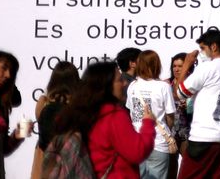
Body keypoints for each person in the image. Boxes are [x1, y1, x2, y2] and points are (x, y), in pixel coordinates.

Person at [52, 60, 155, 178]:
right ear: (106, 85)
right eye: (119, 80)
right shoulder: (113, 116)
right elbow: (137, 151)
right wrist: (148, 124)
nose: (125, 83)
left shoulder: (78, 113)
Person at [175, 29, 220, 179]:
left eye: (203, 48)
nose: (201, 53)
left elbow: (180, 93)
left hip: (203, 137)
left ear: (214, 47)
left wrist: (186, 66)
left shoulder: (208, 68)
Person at [127, 50, 176, 179]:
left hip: (137, 140)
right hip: (158, 141)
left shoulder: (132, 86)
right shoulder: (163, 86)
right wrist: (167, 130)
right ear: (157, 65)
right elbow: (170, 116)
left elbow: (130, 112)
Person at [29, 60, 80, 179]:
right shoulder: (77, 104)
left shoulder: (43, 101)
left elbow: (40, 120)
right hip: (69, 156)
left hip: (43, 154)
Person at [0, 49, 29, 179]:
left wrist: (17, 136)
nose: (7, 75)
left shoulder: (0, 107)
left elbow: (2, 150)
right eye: (3, 67)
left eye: (11, 72)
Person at [166, 52, 193, 179]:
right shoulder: (166, 84)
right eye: (174, 66)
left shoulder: (194, 84)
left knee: (189, 167)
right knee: (170, 169)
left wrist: (190, 107)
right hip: (170, 132)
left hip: (188, 131)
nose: (176, 69)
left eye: (180, 66)